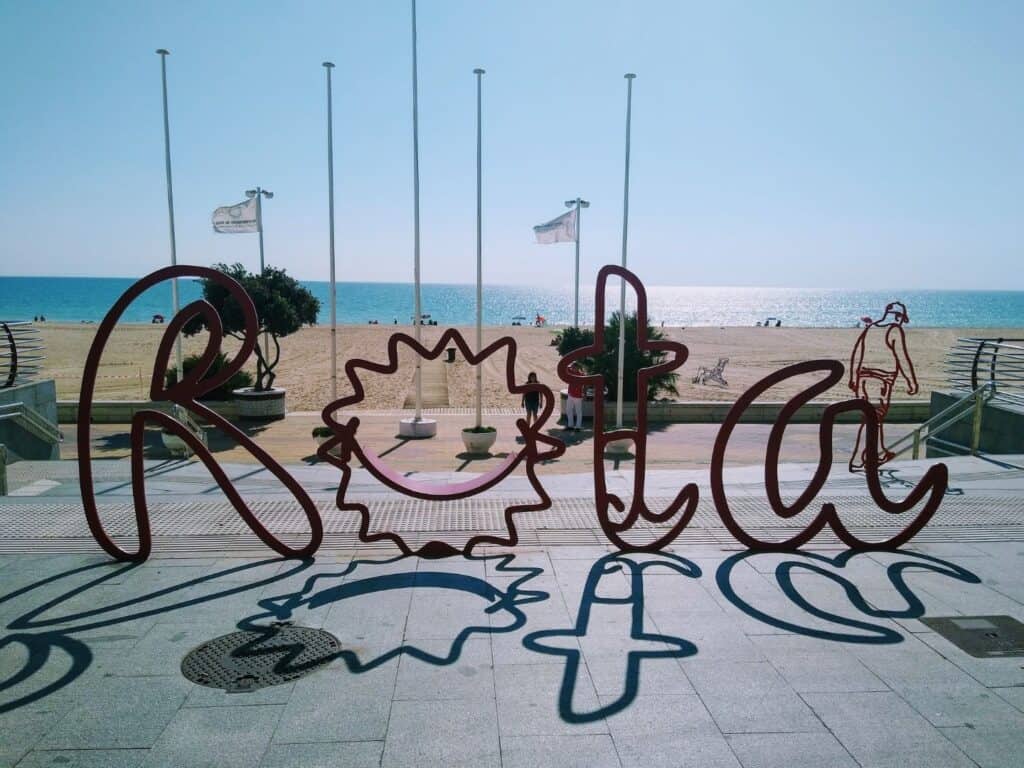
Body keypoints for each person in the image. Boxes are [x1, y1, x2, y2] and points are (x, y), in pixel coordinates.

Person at [848, 301, 919, 472]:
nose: (902, 323)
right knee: (874, 418)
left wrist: (853, 378)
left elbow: (858, 352)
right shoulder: (893, 330)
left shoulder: (870, 328)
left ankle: (875, 453)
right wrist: (911, 381)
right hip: (881, 380)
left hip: (863, 378)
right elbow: (901, 357)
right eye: (902, 319)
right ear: (897, 316)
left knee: (870, 418)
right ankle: (860, 458)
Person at [565, 363, 585, 431]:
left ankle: (578, 427)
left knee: (578, 411)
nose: (572, 369)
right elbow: (566, 367)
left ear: (577, 367)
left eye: (573, 367)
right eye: (572, 367)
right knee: (568, 410)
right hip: (570, 394)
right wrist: (569, 366)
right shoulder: (571, 372)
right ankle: (570, 425)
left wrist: (584, 393)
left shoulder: (581, 374)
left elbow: (585, 384)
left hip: (578, 396)